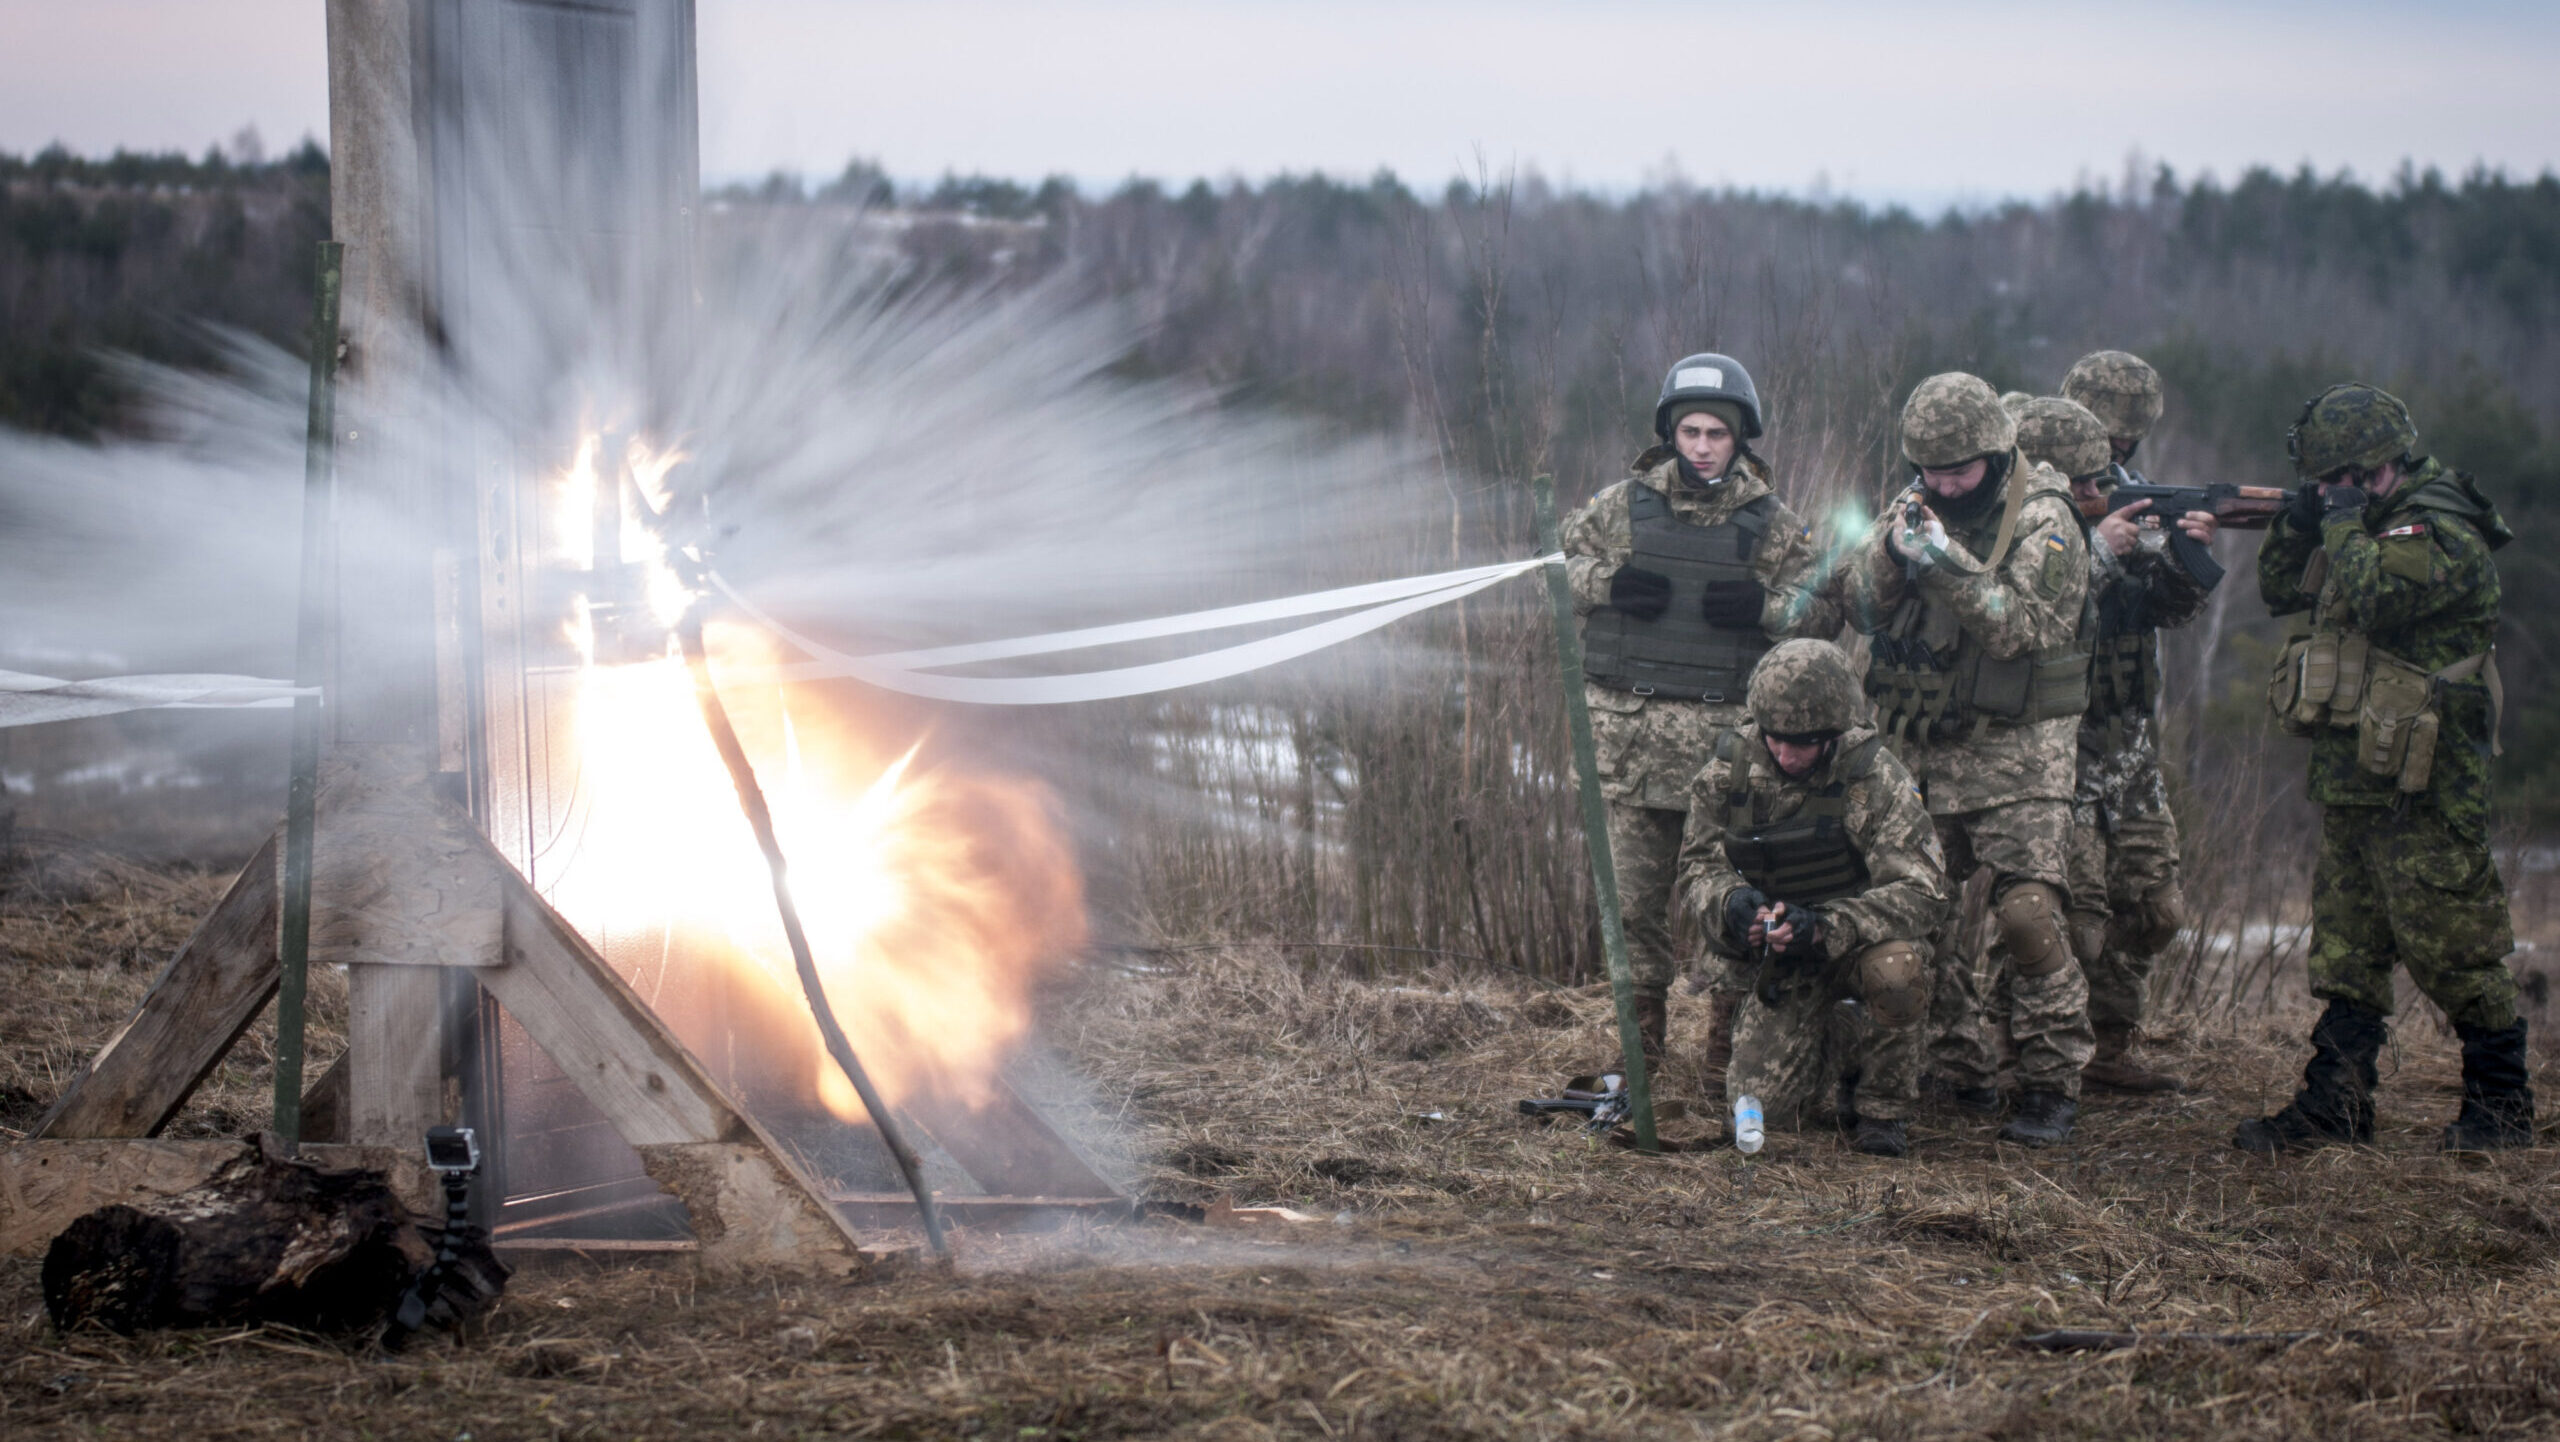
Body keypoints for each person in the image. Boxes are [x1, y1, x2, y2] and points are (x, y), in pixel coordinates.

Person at [2237, 383, 2527, 1153]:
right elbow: (2274, 590)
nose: (2330, 493)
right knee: (2347, 948)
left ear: (2372, 468)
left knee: (2453, 941)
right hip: (2358, 770)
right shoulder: (2358, 523)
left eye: (2336, 479)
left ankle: (2502, 1107)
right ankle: (2337, 1104)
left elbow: (2376, 602)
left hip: (2425, 781)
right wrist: (2299, 524)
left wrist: (2337, 523)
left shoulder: (2437, 525)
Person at [1561, 353, 1840, 1092]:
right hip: (1629, 746)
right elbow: (1553, 570)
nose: (1704, 445)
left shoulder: (1773, 524)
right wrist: (1609, 583)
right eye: (1690, 429)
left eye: (1718, 431)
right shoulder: (1619, 508)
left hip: (1729, 759)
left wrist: (1767, 609)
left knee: (1734, 909)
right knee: (1631, 911)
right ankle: (1641, 1053)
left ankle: (1725, 1054)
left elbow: (1828, 608)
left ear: (1741, 437)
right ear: (1670, 432)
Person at [1850, 372, 2093, 1146]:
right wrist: (1895, 551)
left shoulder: (2046, 517)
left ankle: (2051, 1084)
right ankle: (1956, 1068)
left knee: (2029, 917)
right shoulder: (1915, 505)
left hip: (2021, 755)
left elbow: (2019, 625)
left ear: (1995, 453)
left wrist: (1945, 562)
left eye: (1958, 471)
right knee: (1915, 914)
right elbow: (1860, 605)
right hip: (1923, 751)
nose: (1944, 485)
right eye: (1929, 471)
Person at [1675, 639, 1948, 1156]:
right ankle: (1841, 1037)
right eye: (1774, 739)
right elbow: (1696, 866)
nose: (1785, 754)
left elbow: (1924, 892)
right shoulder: (1728, 772)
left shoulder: (1877, 778)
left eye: (1801, 743)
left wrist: (1826, 926)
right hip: (1780, 956)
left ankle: (1882, 1109)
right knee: (1764, 1110)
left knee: (1898, 970)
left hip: (1855, 949)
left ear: (1834, 732)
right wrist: (1731, 905)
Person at [2029, 376, 2214, 1093]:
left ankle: (2109, 1045)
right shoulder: (2035, 511)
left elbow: (2163, 612)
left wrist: (2185, 560)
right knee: (2069, 916)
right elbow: (2034, 616)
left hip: (2127, 739)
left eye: (2126, 440)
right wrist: (2098, 548)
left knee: (2155, 907)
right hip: (2058, 736)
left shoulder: (2140, 496)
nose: (2114, 452)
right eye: (2104, 437)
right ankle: (2037, 1048)